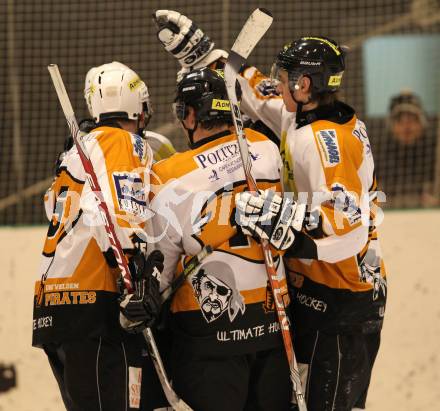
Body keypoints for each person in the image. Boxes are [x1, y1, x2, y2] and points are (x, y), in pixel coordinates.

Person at [153, 14, 387, 410]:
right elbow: (254, 92)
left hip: (341, 301)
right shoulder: (304, 116)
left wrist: (294, 230)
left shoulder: (327, 143)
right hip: (320, 295)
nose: (277, 81)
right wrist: (206, 55)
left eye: (285, 75)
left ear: (304, 84)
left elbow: (351, 229)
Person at [148, 67, 291, 411]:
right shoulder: (264, 147)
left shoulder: (168, 173)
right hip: (271, 325)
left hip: (207, 332)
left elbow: (161, 266)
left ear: (190, 114)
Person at [33, 62, 165, 411]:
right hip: (96, 302)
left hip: (56, 306)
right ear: (138, 107)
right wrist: (135, 273)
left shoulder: (76, 151)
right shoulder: (122, 141)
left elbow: (53, 207)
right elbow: (120, 208)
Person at [374, 90, 438, 208]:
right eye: (400, 120)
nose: (406, 126)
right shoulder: (379, 154)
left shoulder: (434, 153)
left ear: (422, 124)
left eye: (413, 119)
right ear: (391, 125)